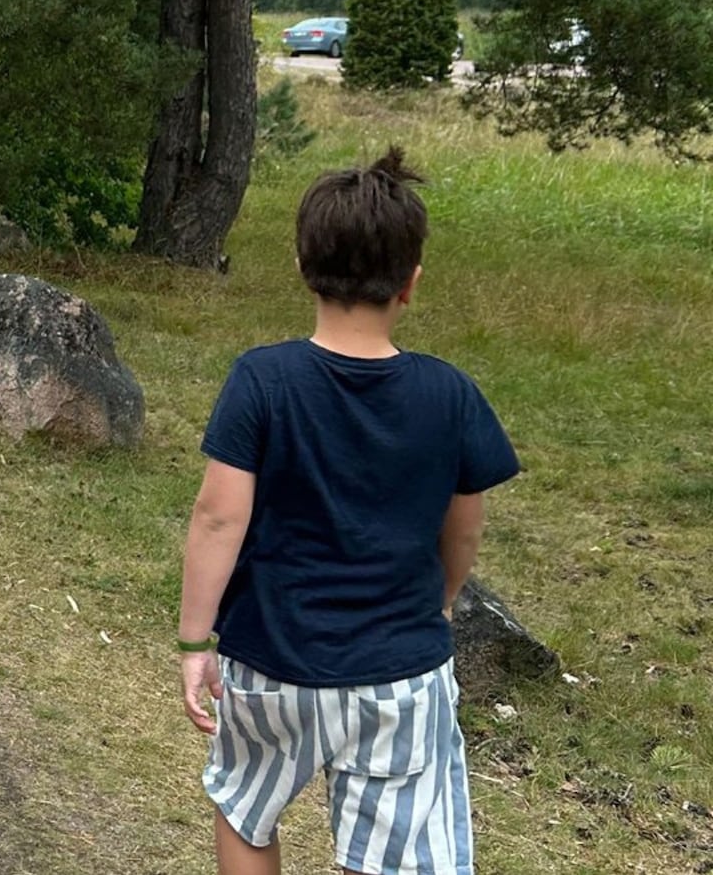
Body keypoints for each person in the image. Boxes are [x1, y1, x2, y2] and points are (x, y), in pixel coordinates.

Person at [177, 148, 521, 875]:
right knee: (394, 854)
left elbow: (216, 519)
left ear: (303, 263)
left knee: (245, 808)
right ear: (412, 283)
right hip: (399, 674)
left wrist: (193, 642)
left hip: (271, 662)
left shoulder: (261, 380)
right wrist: (447, 599)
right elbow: (464, 527)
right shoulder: (450, 395)